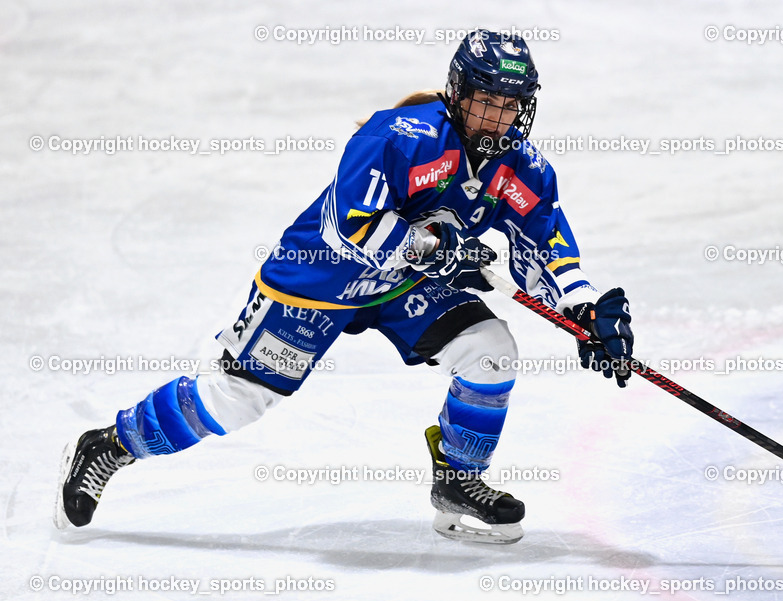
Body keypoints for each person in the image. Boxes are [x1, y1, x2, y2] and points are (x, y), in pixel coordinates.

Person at [54, 29, 634, 544]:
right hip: (320, 281)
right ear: (458, 93)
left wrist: (583, 311)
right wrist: (438, 251)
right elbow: (349, 227)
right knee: (236, 401)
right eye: (486, 102)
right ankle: (108, 446)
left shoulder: (525, 169)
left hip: (402, 290)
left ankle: (459, 479)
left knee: (491, 348)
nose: (497, 119)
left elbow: (546, 247)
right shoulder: (398, 136)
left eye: (511, 107)